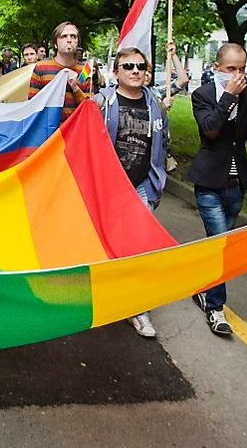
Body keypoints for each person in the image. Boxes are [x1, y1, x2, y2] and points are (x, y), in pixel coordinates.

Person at [187, 43, 247, 336]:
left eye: (242, 69)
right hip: (209, 183)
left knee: (219, 245)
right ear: (217, 68)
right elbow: (210, 130)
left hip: (236, 184)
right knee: (221, 244)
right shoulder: (203, 95)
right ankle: (216, 308)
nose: (238, 75)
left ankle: (203, 287)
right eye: (231, 69)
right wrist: (228, 97)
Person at [93, 47, 170, 339]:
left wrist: (157, 181)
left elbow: (163, 144)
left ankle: (138, 310)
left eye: (141, 66)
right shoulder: (103, 102)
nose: (136, 71)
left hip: (140, 187)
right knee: (107, 245)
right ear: (116, 72)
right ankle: (105, 299)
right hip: (108, 187)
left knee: (139, 247)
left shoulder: (156, 105)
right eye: (128, 66)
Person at [28, 22, 90, 122]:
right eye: (64, 36)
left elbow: (89, 107)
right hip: (50, 133)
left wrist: (75, 88)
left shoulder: (85, 70)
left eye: (73, 36)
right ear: (55, 44)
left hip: (76, 131)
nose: (69, 40)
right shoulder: (41, 68)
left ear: (78, 43)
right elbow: (32, 106)